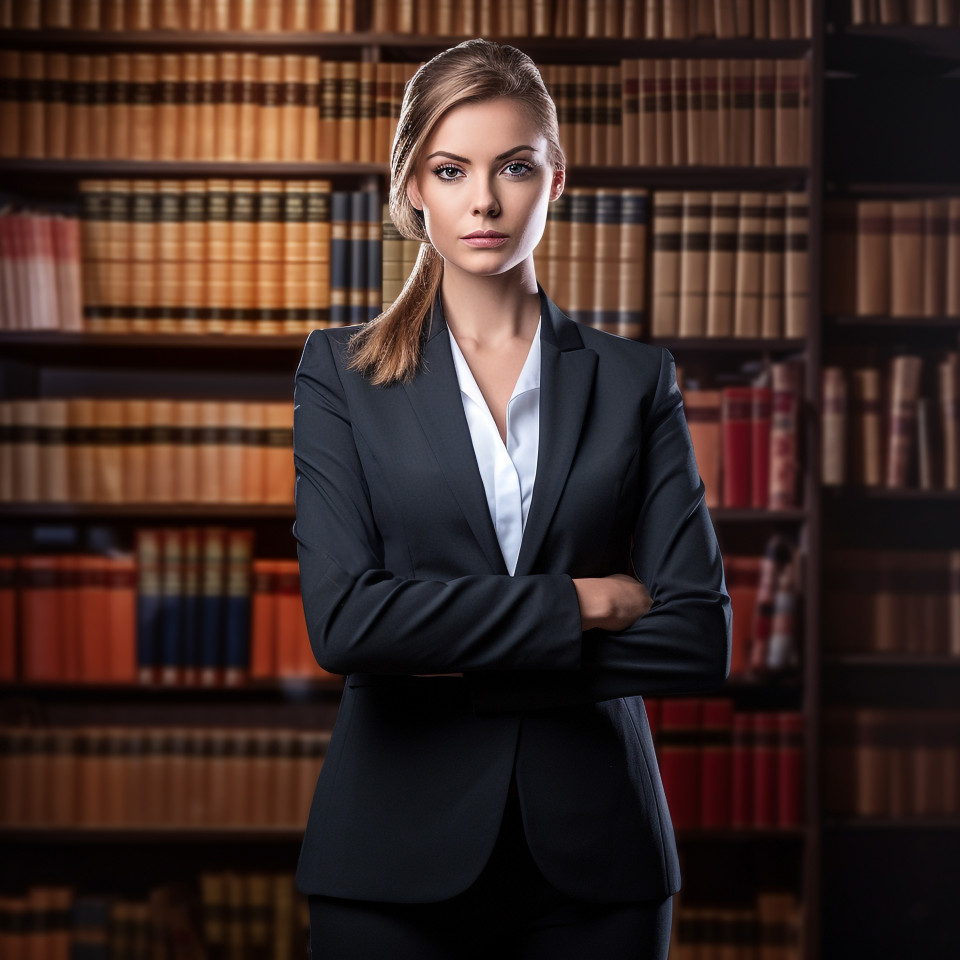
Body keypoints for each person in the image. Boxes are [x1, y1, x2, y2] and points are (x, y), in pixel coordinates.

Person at [292, 38, 732, 959]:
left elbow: (697, 637)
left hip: (597, 862)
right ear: (414, 185)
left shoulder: (634, 378)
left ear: (556, 179)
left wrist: (448, 651)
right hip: (389, 857)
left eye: (514, 167)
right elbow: (346, 625)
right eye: (452, 170)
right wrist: (581, 604)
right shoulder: (340, 374)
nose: (484, 201)